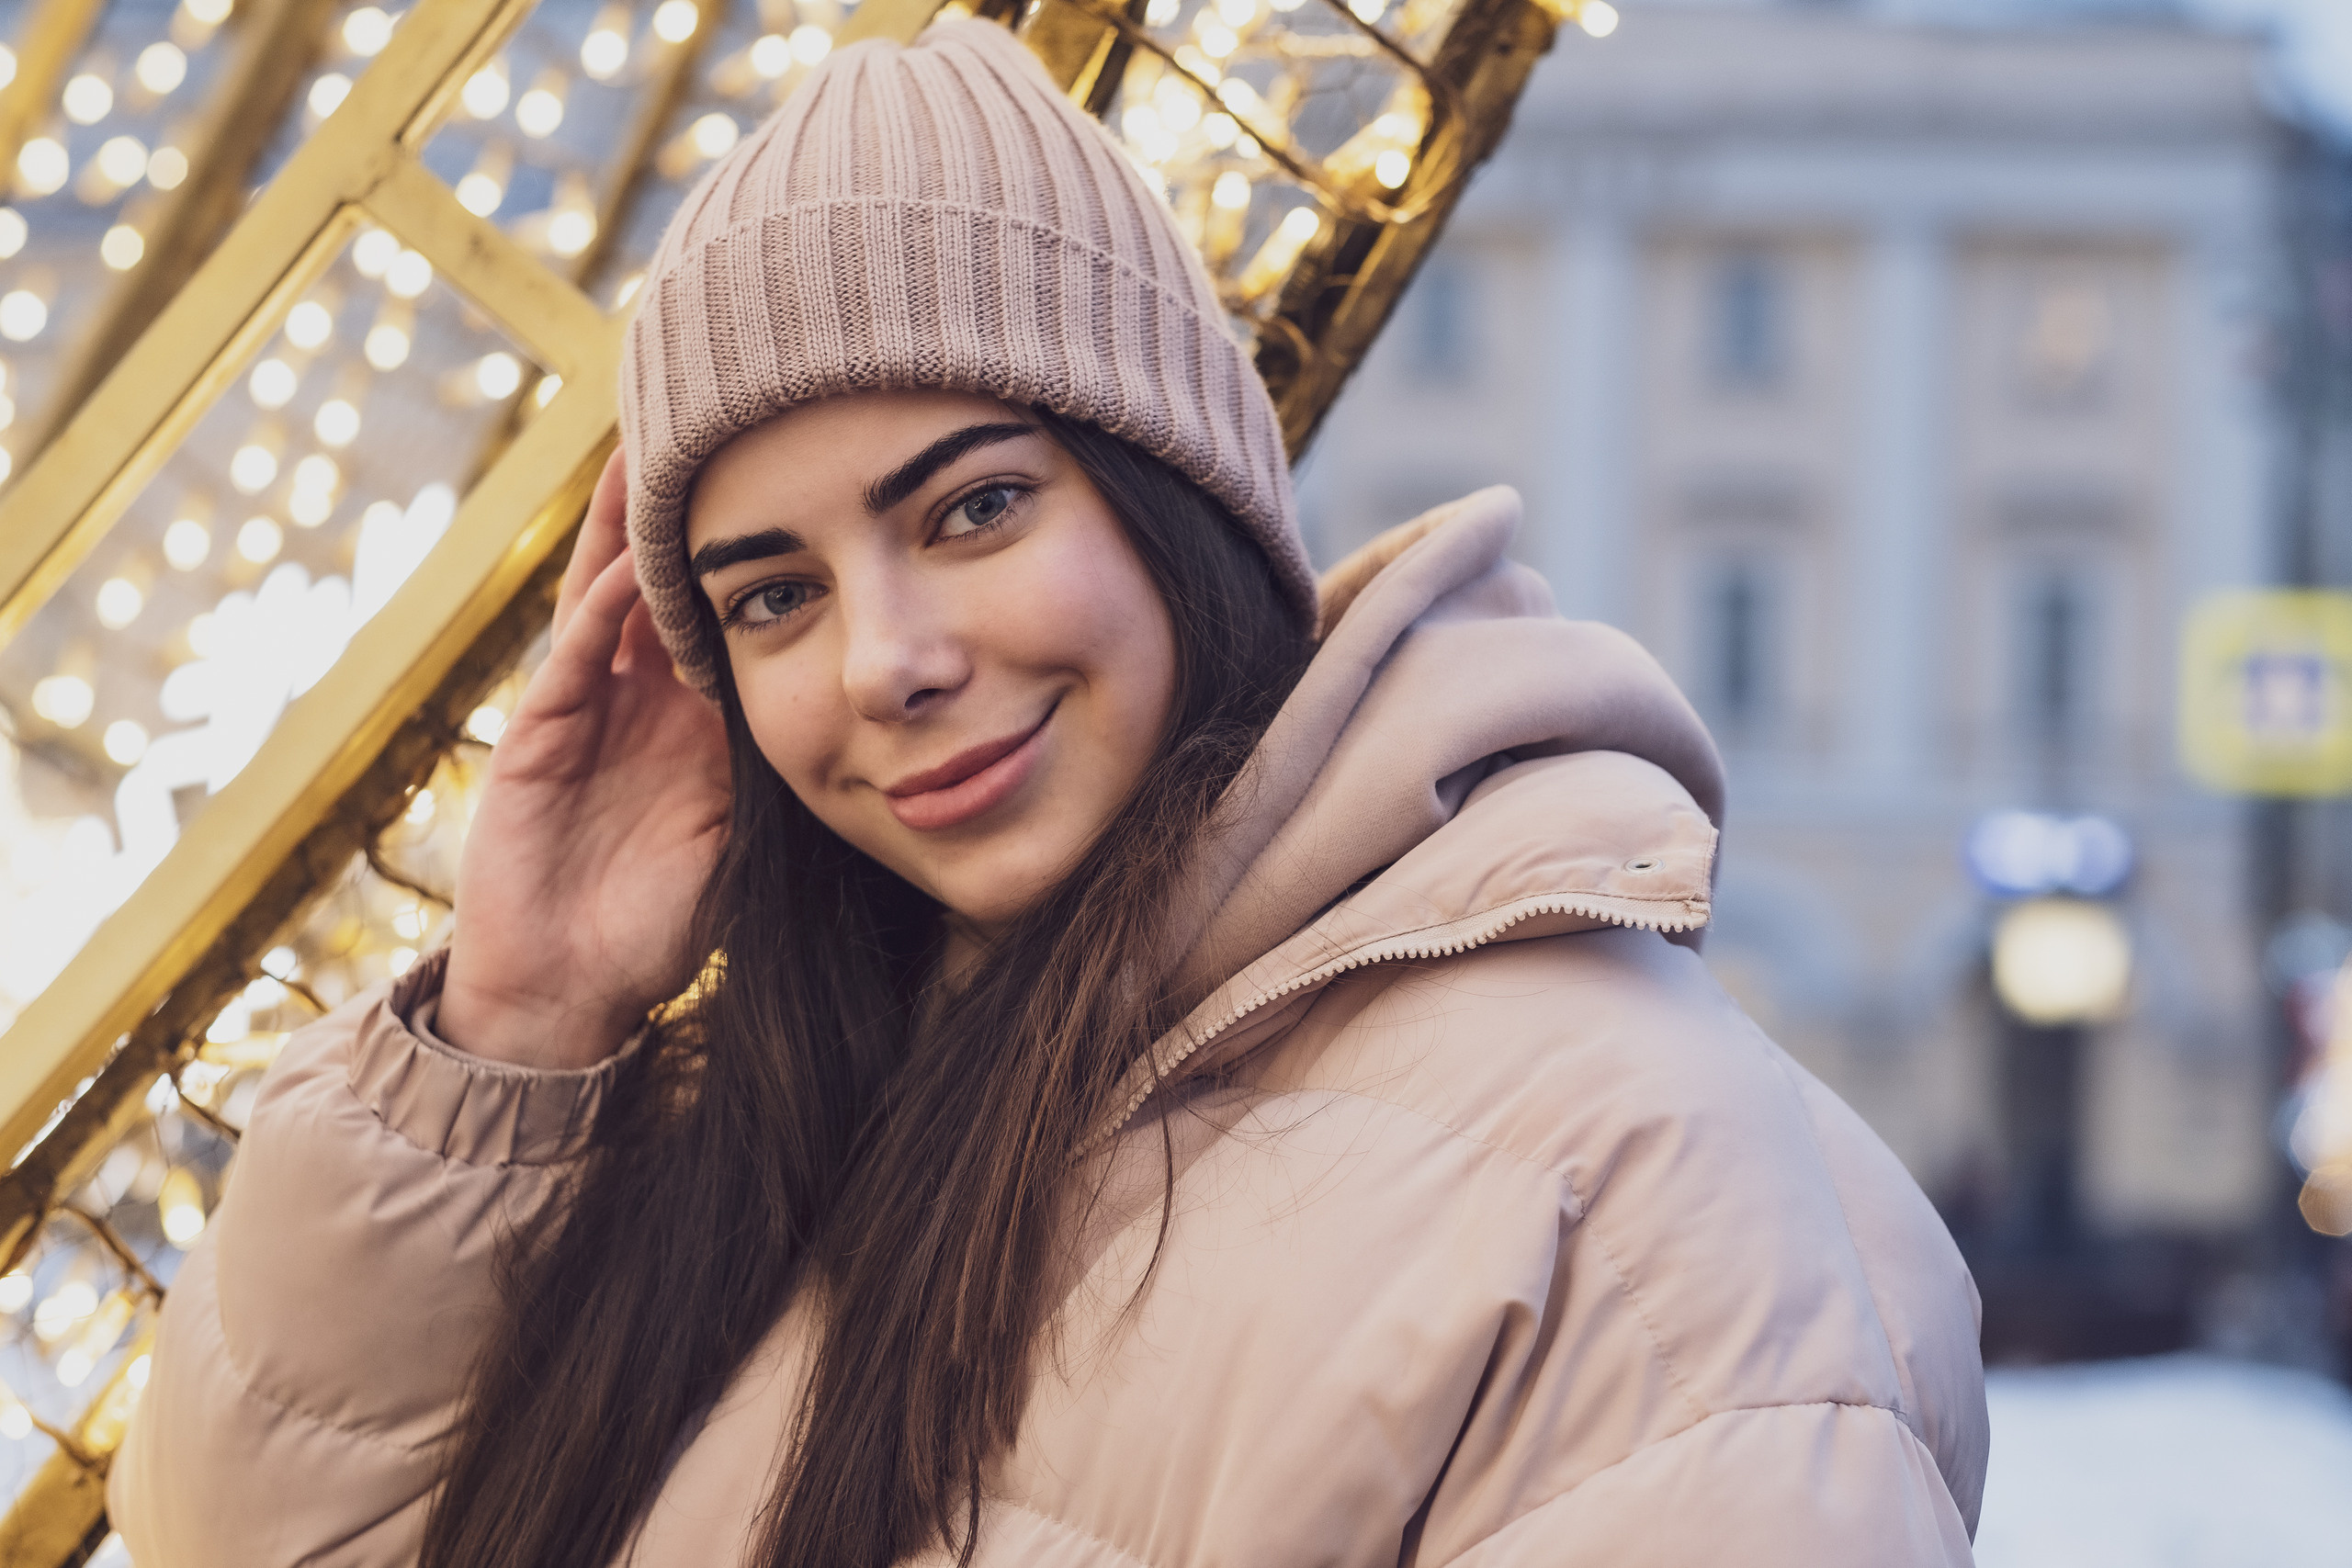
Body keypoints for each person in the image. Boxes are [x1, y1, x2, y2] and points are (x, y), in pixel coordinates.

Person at [108, 17, 1987, 1567]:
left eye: (973, 506)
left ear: (1176, 501)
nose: (884, 658)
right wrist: (515, 1024)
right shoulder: (747, 1121)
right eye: (775, 593)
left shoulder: (1634, 1185)